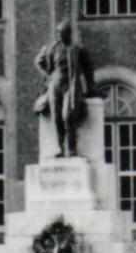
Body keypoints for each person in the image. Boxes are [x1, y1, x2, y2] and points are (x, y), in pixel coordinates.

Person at [34, 18, 95, 158]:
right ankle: (60, 148)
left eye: (63, 33)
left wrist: (91, 86)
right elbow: (39, 61)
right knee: (56, 117)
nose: (61, 35)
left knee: (68, 115)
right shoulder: (52, 48)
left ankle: (72, 149)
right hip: (55, 84)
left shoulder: (77, 49)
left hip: (71, 84)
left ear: (69, 34)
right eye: (59, 33)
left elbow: (88, 68)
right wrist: (47, 75)